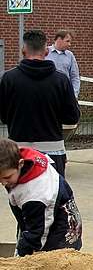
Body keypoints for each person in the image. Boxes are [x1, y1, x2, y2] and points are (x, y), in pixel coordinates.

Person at [0, 30, 80, 178]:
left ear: (23, 50)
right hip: (53, 150)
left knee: (20, 198)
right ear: (46, 51)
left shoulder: (8, 79)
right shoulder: (61, 81)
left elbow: (3, 116)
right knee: (53, 196)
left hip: (19, 151)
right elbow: (72, 117)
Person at [0, 138, 82, 256]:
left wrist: (22, 255)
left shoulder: (35, 194)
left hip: (60, 232)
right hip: (39, 217)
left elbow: (37, 233)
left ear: (20, 164)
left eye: (7, 177)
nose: (3, 183)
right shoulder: (19, 158)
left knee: (53, 262)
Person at [46, 30, 81, 98]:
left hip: (64, 95)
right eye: (67, 41)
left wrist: (74, 94)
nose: (69, 44)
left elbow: (75, 77)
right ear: (59, 39)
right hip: (47, 94)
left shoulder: (70, 55)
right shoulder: (45, 52)